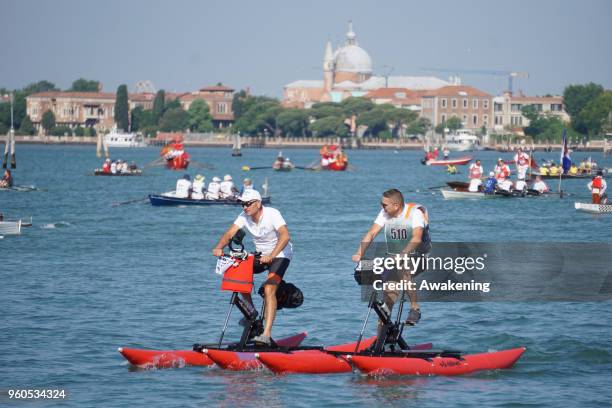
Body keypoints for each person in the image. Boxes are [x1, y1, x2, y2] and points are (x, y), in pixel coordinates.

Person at [212, 189, 292, 346]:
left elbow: (285, 236)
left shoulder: (272, 213)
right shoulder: (244, 217)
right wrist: (219, 247)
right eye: (242, 204)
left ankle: (266, 334)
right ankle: (251, 312)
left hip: (281, 254)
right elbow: (230, 233)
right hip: (261, 255)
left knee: (269, 289)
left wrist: (272, 255)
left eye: (248, 204)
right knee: (237, 275)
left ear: (258, 203)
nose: (245, 207)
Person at [351, 189, 431, 325]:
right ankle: (382, 338)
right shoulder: (385, 213)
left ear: (396, 205)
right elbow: (371, 233)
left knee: (402, 267)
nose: (382, 208)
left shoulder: (414, 213)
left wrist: (402, 255)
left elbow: (417, 238)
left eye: (384, 205)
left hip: (418, 256)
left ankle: (415, 308)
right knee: (386, 303)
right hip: (396, 257)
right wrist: (359, 253)